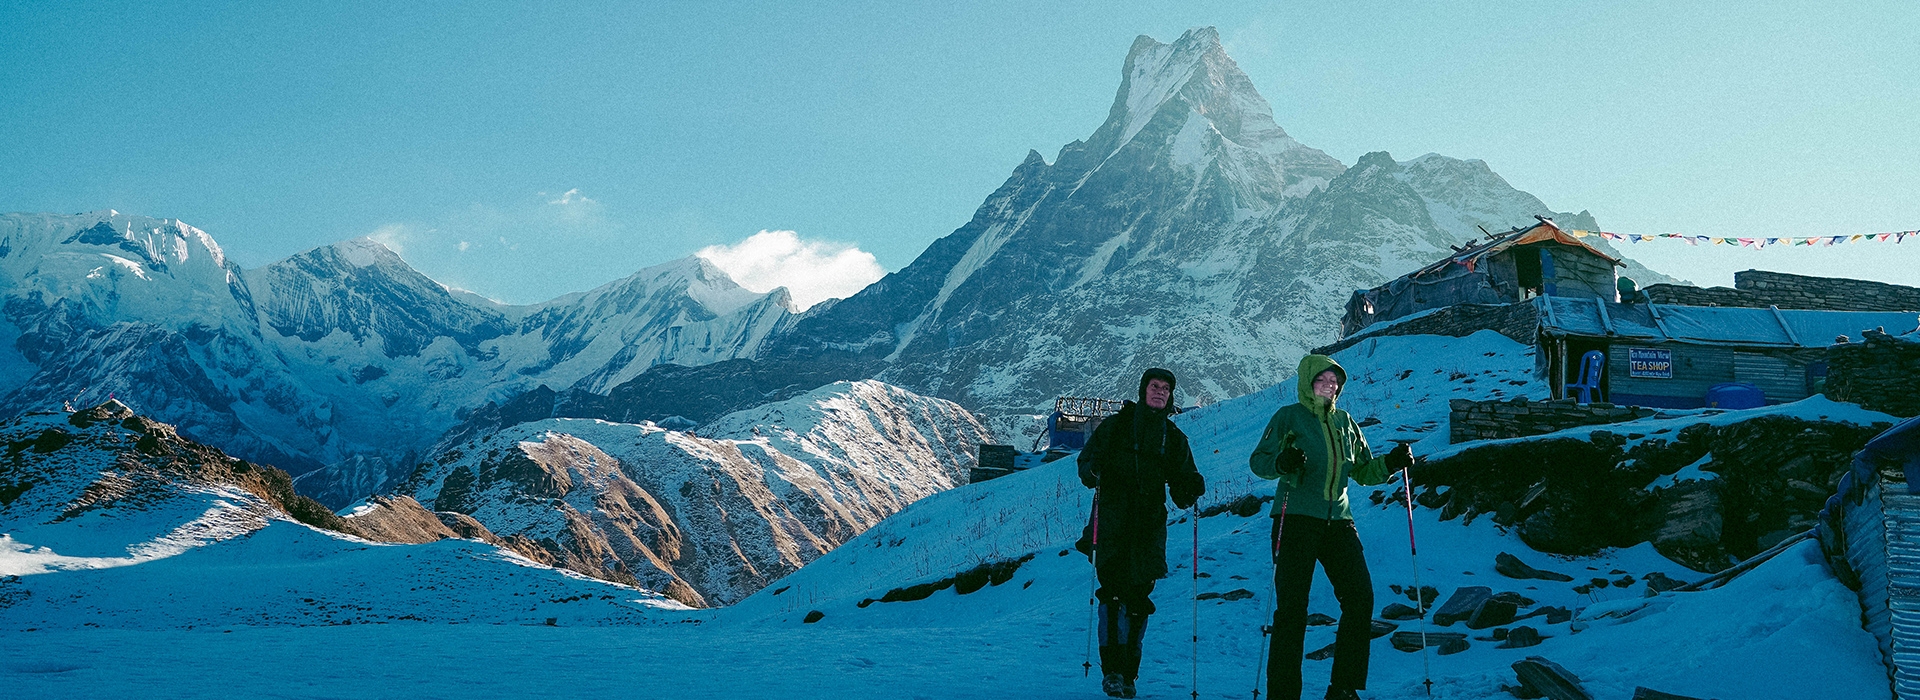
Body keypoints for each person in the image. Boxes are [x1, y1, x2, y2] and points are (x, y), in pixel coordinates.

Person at [1249, 355, 1414, 700]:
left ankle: (1343, 688)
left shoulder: (1346, 423)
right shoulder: (1289, 417)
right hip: (1294, 518)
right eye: (1322, 378)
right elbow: (1259, 462)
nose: (1330, 384)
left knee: (1359, 598)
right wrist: (1282, 462)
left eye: (1334, 379)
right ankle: (1283, 693)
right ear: (1308, 382)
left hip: (1338, 521)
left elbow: (1366, 471)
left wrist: (1392, 463)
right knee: (1292, 609)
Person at [1077, 368, 1206, 698]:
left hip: (1148, 529)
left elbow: (1182, 488)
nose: (1160, 392)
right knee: (1113, 594)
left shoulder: (1173, 439)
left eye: (1165, 388)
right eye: (1154, 386)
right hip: (1111, 524)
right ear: (1143, 389)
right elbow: (1086, 464)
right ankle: (1113, 672)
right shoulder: (1116, 426)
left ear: (1170, 395)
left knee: (1137, 600)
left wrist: (1192, 487)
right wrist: (1095, 471)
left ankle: (1128, 675)